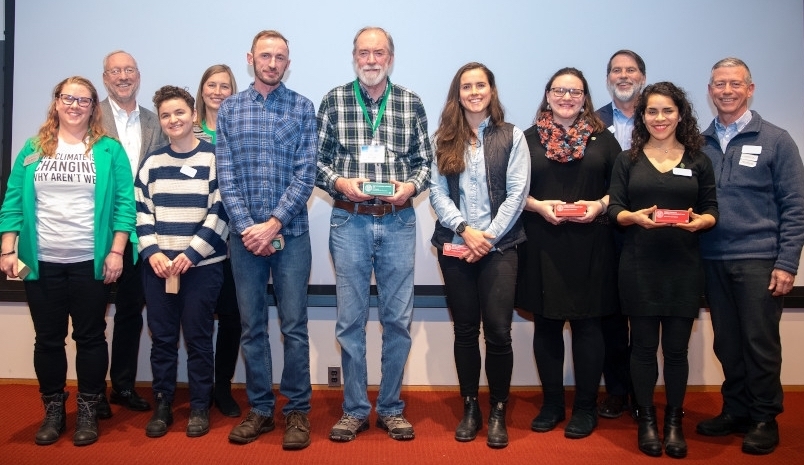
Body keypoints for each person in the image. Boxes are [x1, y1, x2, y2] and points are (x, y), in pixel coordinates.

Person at [0, 76, 136, 446]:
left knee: (90, 337)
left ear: (94, 107)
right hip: (40, 263)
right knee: (47, 339)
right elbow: (13, 202)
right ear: (56, 102)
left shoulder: (109, 150)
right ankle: (54, 409)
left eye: (84, 100)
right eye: (68, 98)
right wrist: (8, 249)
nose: (75, 105)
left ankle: (89, 408)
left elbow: (126, 206)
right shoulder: (34, 147)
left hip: (89, 263)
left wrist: (116, 251)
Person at [317, 26, 433, 442]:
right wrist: (340, 183)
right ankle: (353, 410)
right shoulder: (333, 100)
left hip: (398, 220)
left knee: (397, 321)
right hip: (350, 220)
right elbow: (317, 162)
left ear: (390, 57)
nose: (371, 59)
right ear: (354, 57)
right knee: (350, 322)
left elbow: (425, 162)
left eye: (378, 52)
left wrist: (412, 187)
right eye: (363, 52)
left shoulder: (410, 102)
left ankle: (390, 408)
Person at [696, 57, 804, 456]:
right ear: (710, 91)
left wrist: (787, 261)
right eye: (718, 84)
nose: (726, 90)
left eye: (734, 84)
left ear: (750, 88)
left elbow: (795, 205)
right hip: (712, 259)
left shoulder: (776, 139)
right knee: (727, 342)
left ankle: (764, 417)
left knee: (759, 342)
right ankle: (736, 410)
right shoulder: (700, 142)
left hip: (759, 259)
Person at [216, 30, 316, 450]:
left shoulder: (303, 107)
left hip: (290, 236)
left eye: (279, 57)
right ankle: (260, 408)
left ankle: (296, 411)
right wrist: (247, 228)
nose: (272, 63)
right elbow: (227, 176)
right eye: (265, 56)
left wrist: (273, 223)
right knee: (253, 327)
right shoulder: (230, 110)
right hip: (244, 242)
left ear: (287, 63)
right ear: (250, 58)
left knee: (294, 328)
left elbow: (306, 173)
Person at [608, 82, 718, 458]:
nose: (659, 118)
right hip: (639, 266)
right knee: (641, 349)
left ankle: (673, 421)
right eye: (651, 111)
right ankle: (647, 422)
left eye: (667, 111)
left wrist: (701, 222)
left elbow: (711, 209)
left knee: (675, 351)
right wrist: (632, 217)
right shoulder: (628, 160)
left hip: (683, 268)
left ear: (680, 115)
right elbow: (615, 210)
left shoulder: (699, 160)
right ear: (642, 116)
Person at [515, 67, 620, 440]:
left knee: (589, 327)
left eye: (575, 92)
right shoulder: (525, 140)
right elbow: (511, 193)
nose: (566, 97)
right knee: (546, 326)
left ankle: (586, 408)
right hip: (543, 245)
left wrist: (600, 205)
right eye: (559, 90)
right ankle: (552, 405)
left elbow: (620, 190)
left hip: (593, 246)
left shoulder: (603, 140)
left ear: (585, 98)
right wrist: (539, 206)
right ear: (547, 95)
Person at [429, 62, 529, 448]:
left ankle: (499, 409)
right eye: (466, 86)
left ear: (491, 91)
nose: (474, 92)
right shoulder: (443, 138)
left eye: (480, 85)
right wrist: (466, 231)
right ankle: (471, 406)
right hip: (456, 245)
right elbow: (437, 193)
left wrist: (486, 237)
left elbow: (518, 193)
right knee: (466, 331)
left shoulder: (512, 136)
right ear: (458, 93)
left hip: (499, 247)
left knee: (500, 332)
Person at [136, 85, 229, 438]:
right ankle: (163, 403)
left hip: (201, 269)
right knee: (162, 340)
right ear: (160, 122)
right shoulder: (152, 163)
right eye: (165, 115)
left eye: (179, 112)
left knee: (199, 339)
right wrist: (154, 253)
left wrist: (191, 255)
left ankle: (200, 406)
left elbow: (220, 212)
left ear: (193, 115)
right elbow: (141, 213)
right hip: (158, 269)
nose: (173, 119)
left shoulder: (213, 159)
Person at [98, 50, 167, 417]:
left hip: (141, 234)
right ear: (105, 77)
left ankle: (122, 386)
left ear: (138, 76)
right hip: (96, 235)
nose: (123, 76)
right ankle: (92, 391)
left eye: (129, 70)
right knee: (91, 315)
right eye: (115, 71)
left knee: (129, 311)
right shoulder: (90, 120)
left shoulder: (155, 122)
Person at [594, 49, 647, 419]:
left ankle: (643, 393)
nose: (623, 76)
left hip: (653, 234)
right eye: (616, 71)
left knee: (646, 317)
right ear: (608, 78)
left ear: (642, 76)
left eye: (630, 70)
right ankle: (616, 390)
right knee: (611, 319)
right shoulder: (592, 122)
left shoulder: (660, 116)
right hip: (607, 233)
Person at [193, 64, 242, 417]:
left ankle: (222, 387)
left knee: (232, 317)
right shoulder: (185, 128)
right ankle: (200, 387)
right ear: (202, 89)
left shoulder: (240, 128)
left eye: (225, 86)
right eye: (212, 84)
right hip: (195, 241)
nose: (218, 91)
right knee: (196, 319)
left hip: (233, 240)